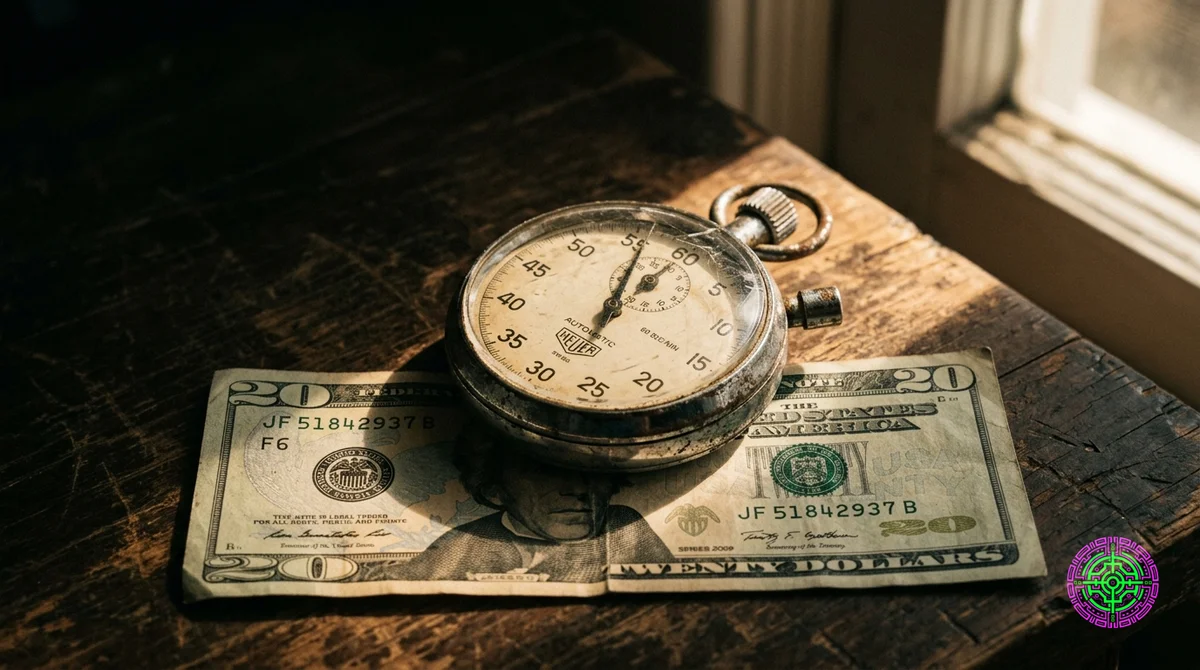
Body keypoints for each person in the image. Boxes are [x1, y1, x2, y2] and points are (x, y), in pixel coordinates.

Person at [399, 426, 674, 583]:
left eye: (590, 472)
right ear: (495, 492)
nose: (579, 490)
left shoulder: (625, 528)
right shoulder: (460, 546)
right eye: (545, 473)